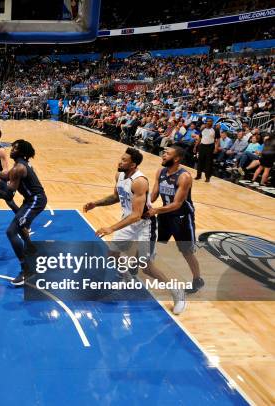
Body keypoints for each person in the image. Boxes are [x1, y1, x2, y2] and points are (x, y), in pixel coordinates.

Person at [84, 147, 186, 314]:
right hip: (127, 221)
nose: (120, 162)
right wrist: (96, 203)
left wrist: (111, 228)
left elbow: (137, 215)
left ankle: (177, 292)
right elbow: (116, 197)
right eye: (121, 158)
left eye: (124, 160)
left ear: (133, 165)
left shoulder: (140, 181)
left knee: (146, 267)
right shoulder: (120, 175)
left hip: (144, 224)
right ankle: (127, 278)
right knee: (112, 256)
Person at [0, 139, 47, 286]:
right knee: (20, 223)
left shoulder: (19, 168)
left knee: (11, 231)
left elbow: (9, 196)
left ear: (22, 152)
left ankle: (26, 270)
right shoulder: (19, 165)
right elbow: (6, 176)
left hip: (36, 201)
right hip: (31, 199)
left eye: (15, 148)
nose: (11, 150)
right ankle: (30, 247)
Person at [148, 146, 203, 294]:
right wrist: (140, 198)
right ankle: (145, 263)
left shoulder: (184, 177)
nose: (163, 155)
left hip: (182, 217)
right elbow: (153, 196)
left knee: (186, 252)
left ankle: (197, 279)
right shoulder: (160, 172)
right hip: (165, 213)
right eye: (164, 153)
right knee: (151, 238)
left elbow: (177, 204)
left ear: (177, 158)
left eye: (167, 153)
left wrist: (156, 210)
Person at [194, 118, 216, 182]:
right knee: (200, 161)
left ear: (212, 122)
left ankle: (207, 177)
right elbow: (200, 138)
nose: (208, 122)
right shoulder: (203, 129)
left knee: (208, 163)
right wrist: (195, 146)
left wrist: (216, 148)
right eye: (207, 121)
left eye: (210, 121)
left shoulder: (215, 129)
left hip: (210, 147)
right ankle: (198, 175)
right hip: (202, 146)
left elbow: (217, 140)